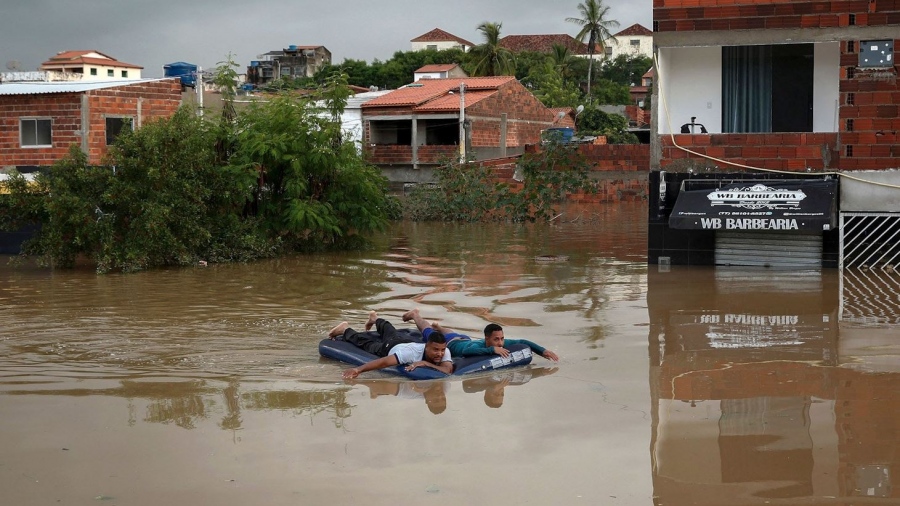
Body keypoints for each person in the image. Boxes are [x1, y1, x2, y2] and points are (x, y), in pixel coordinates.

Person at [401, 308, 560, 361]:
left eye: (501, 339)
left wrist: (542, 351)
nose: (500, 343)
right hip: (452, 343)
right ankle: (415, 315)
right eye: (496, 339)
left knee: (450, 332)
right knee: (427, 331)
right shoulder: (477, 345)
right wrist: (492, 350)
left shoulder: (500, 343)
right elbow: (465, 352)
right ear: (487, 339)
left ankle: (439, 326)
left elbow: (523, 341)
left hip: (463, 338)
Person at [329, 311, 453, 379]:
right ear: (426, 346)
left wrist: (425, 363)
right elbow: (384, 362)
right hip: (392, 347)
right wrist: (358, 369)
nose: (440, 354)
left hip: (405, 341)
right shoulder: (410, 354)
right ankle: (345, 329)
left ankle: (374, 319)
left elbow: (447, 370)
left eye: (442, 350)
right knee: (368, 344)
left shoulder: (444, 351)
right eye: (436, 350)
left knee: (390, 331)